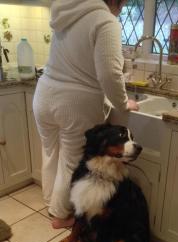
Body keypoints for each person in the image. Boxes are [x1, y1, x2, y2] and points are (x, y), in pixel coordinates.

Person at [33, 0, 139, 229]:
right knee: (71, 161)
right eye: (122, 4)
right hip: (75, 102)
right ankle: (60, 214)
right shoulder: (106, 21)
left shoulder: (66, 12)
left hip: (44, 93)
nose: (121, 9)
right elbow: (110, 74)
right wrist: (123, 104)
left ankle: (50, 203)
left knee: (50, 152)